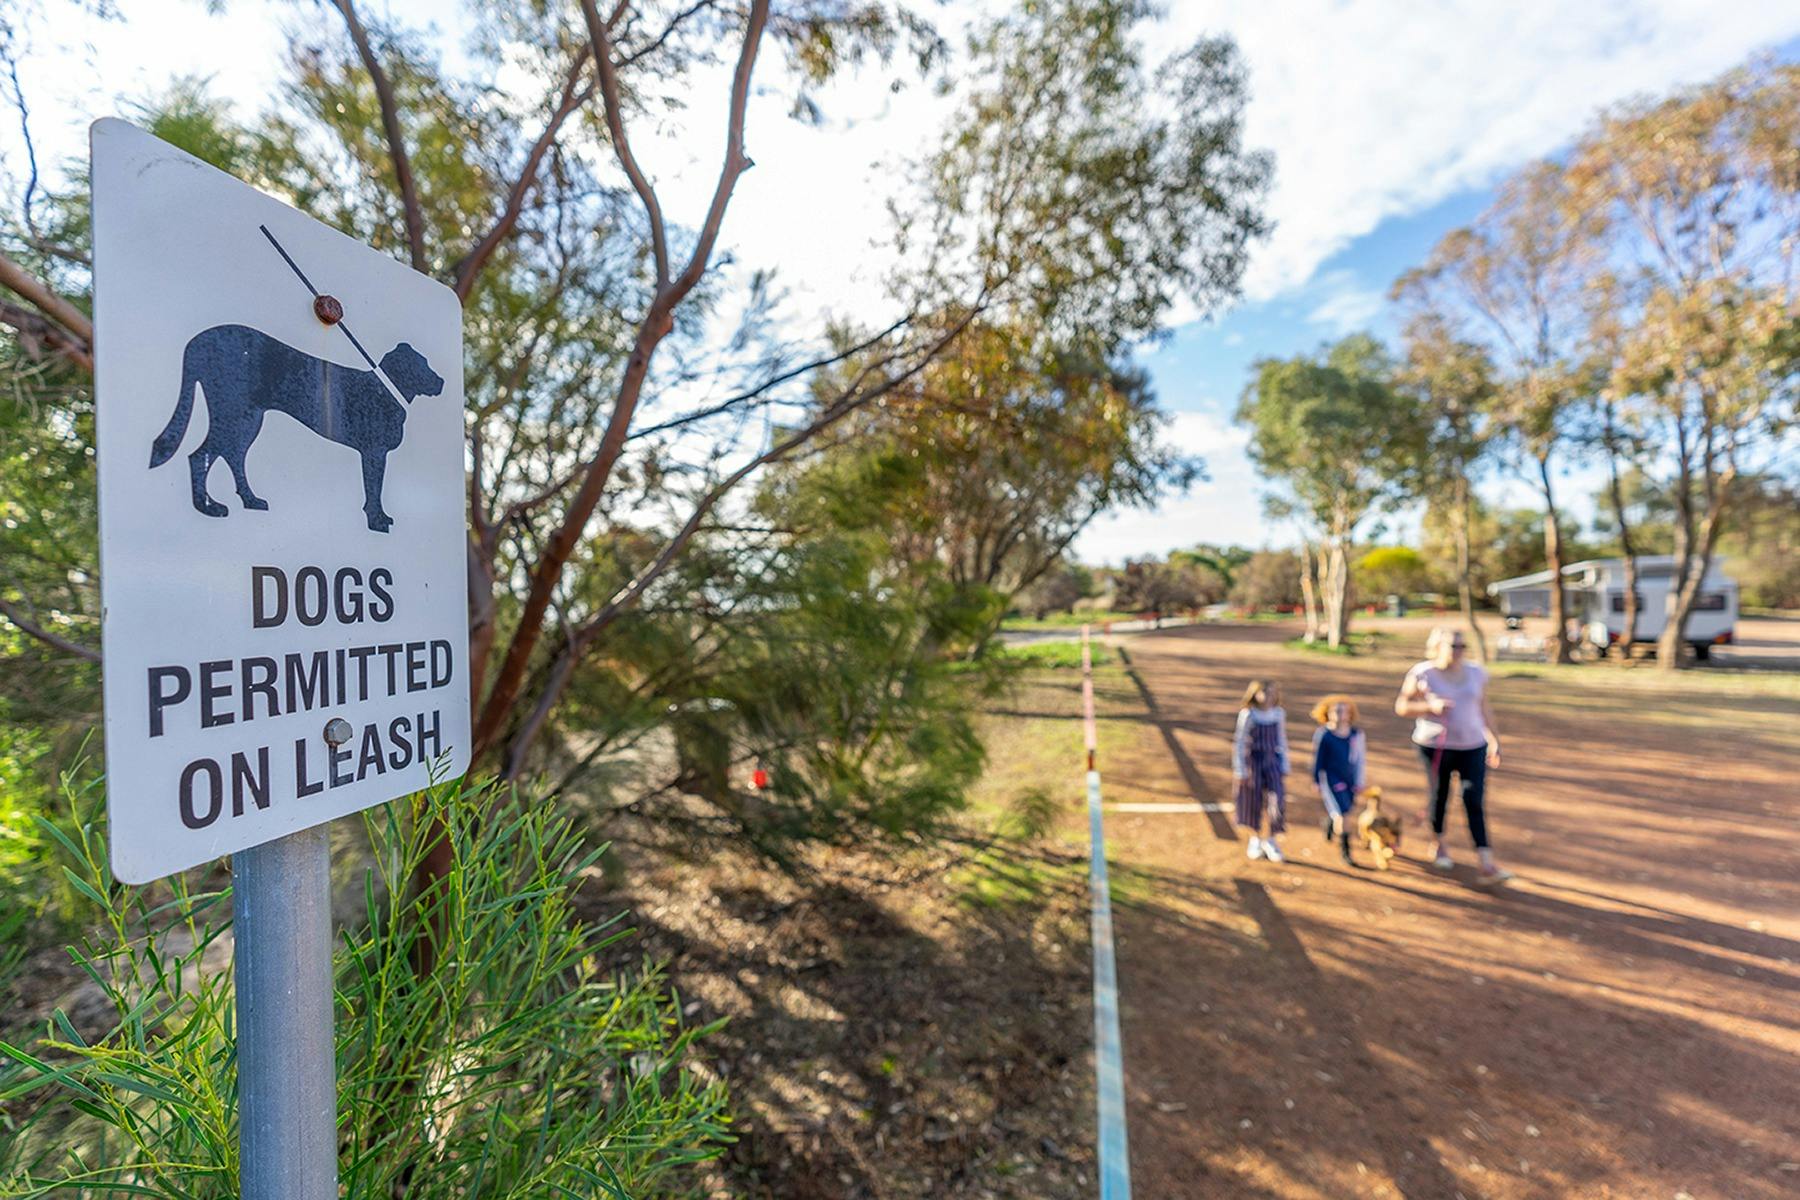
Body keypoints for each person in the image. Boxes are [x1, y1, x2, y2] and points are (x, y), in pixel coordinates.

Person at [1394, 627, 1512, 885]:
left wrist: (1494, 740)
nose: (1459, 651)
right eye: (1453, 646)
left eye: (1462, 646)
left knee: (1473, 799)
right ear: (1437, 647)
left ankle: (1486, 862)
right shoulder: (1422, 673)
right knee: (1440, 795)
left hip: (1473, 745)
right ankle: (1439, 844)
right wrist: (1429, 706)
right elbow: (1401, 706)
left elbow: (1483, 707)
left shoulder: (1476, 672)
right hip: (1435, 746)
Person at [1233, 679, 1289, 863]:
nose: (1268, 697)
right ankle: (1255, 839)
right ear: (1255, 694)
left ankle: (1271, 839)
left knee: (1277, 799)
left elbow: (1282, 739)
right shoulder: (1248, 714)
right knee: (1252, 800)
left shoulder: (1278, 714)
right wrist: (1240, 769)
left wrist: (1285, 764)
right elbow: (1239, 742)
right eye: (1264, 692)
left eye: (1272, 692)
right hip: (1253, 763)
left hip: (1272, 761)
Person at [1310, 694, 1366, 866]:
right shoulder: (1324, 734)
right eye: (1337, 710)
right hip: (1331, 779)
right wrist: (1316, 780)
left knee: (1345, 810)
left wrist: (1359, 781)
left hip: (1349, 779)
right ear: (1328, 712)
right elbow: (1318, 760)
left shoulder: (1356, 735)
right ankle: (1346, 851)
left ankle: (1329, 822)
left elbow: (1359, 760)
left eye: (1345, 711)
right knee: (1344, 815)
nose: (1341, 714)